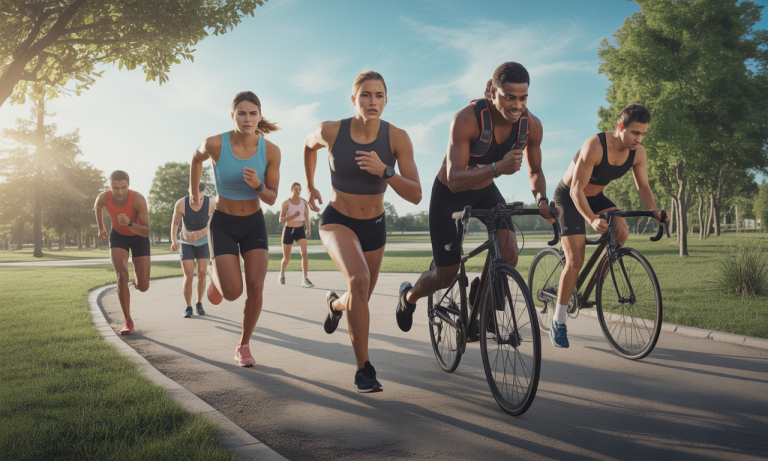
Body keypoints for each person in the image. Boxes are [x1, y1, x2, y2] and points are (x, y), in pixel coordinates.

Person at [395, 62, 554, 336]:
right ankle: (408, 297)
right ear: (493, 92)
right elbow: (454, 178)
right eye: (509, 97)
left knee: (509, 254)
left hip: (485, 190)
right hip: (450, 193)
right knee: (445, 276)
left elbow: (535, 171)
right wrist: (497, 168)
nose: (517, 105)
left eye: (523, 98)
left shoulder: (532, 126)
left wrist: (542, 200)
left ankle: (483, 297)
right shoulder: (467, 119)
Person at [304, 70, 422, 393]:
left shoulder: (397, 138)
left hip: (374, 226)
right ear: (353, 98)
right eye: (366, 95)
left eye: (379, 95)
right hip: (336, 220)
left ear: (386, 100)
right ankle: (363, 370)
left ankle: (335, 305)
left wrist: (385, 171)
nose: (373, 101)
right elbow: (308, 146)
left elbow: (415, 194)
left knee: (360, 297)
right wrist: (311, 185)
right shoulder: (330, 130)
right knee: (358, 280)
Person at [550, 103, 668, 348]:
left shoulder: (638, 153)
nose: (639, 139)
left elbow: (643, 187)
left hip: (596, 197)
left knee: (621, 231)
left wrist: (654, 210)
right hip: (569, 197)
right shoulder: (594, 146)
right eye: (635, 132)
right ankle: (558, 319)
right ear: (621, 126)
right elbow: (575, 190)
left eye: (643, 133)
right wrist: (592, 219)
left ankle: (598, 282)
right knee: (575, 260)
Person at [190, 91, 280, 367]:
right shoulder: (215, 144)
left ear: (260, 116)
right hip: (224, 225)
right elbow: (196, 158)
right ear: (233, 116)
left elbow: (271, 198)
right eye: (242, 113)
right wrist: (193, 193)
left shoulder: (271, 151)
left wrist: (258, 185)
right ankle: (215, 277)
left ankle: (243, 345)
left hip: (254, 225)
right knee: (232, 293)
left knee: (256, 287)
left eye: (253, 113)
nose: (247, 118)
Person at [94, 170, 151, 335]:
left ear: (128, 185)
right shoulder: (103, 198)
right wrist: (101, 228)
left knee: (144, 286)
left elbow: (146, 231)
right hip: (118, 237)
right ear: (110, 186)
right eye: (115, 188)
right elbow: (97, 207)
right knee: (121, 275)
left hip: (139, 237)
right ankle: (128, 320)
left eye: (123, 187)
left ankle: (137, 281)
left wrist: (130, 223)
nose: (119, 192)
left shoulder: (138, 199)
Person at [170, 182, 215, 318]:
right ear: (189, 191)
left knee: (201, 273)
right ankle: (188, 307)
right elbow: (175, 223)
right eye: (194, 199)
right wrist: (174, 241)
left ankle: (199, 303)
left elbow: (216, 224)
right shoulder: (181, 204)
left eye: (200, 199)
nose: (196, 202)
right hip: (186, 243)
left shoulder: (211, 204)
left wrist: (202, 233)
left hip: (204, 243)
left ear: (203, 194)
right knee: (188, 275)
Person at [278, 182, 313, 288]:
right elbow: (281, 219)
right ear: (292, 190)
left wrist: (308, 229)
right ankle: (282, 274)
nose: (298, 191)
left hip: (300, 230)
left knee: (304, 253)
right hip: (289, 231)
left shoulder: (304, 203)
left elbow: (306, 216)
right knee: (286, 258)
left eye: (300, 189)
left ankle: (304, 279)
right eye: (296, 189)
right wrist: (293, 216)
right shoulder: (286, 203)